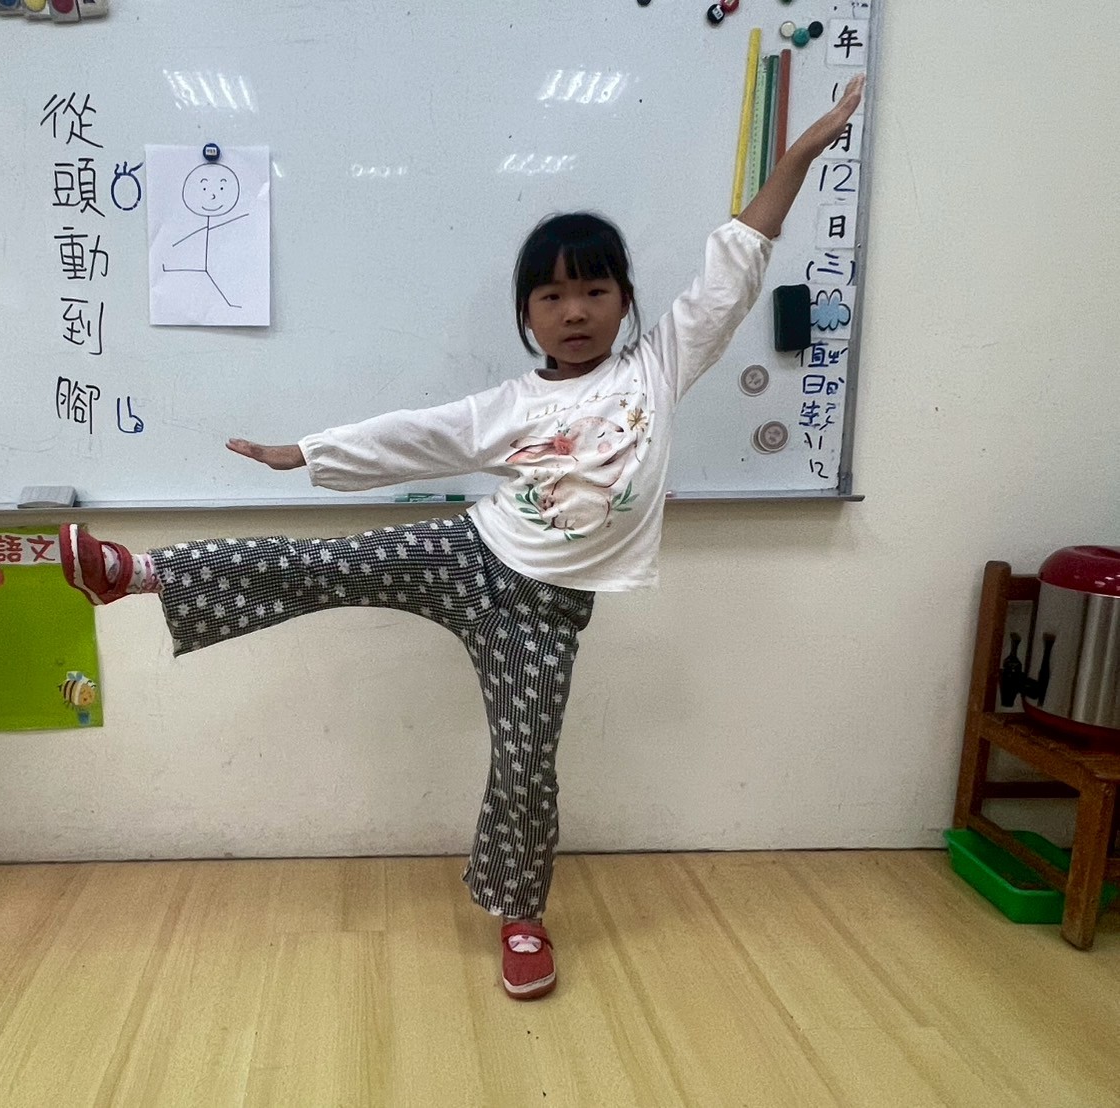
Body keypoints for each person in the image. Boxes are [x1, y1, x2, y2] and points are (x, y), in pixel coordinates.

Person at [59, 76, 865, 1001]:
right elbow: (415, 437)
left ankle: (521, 916)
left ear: (623, 301)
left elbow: (736, 263)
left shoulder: (657, 366)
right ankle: (134, 572)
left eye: (593, 290)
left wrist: (801, 153)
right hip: (472, 554)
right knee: (326, 565)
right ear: (526, 315)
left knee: (526, 765)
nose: (573, 311)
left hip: (543, 612)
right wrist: (302, 452)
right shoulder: (510, 404)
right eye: (551, 296)